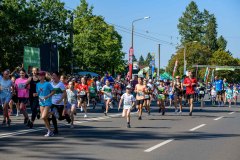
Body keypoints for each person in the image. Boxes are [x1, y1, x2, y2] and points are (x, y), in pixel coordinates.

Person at [36, 71, 55, 137]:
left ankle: (52, 112)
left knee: (43, 116)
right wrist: (35, 94)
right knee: (44, 118)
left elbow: (53, 91)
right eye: (38, 75)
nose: (39, 76)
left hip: (47, 102)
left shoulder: (47, 84)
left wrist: (47, 96)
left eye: (41, 75)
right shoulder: (37, 84)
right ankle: (50, 131)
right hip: (41, 102)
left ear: (44, 76)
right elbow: (38, 93)